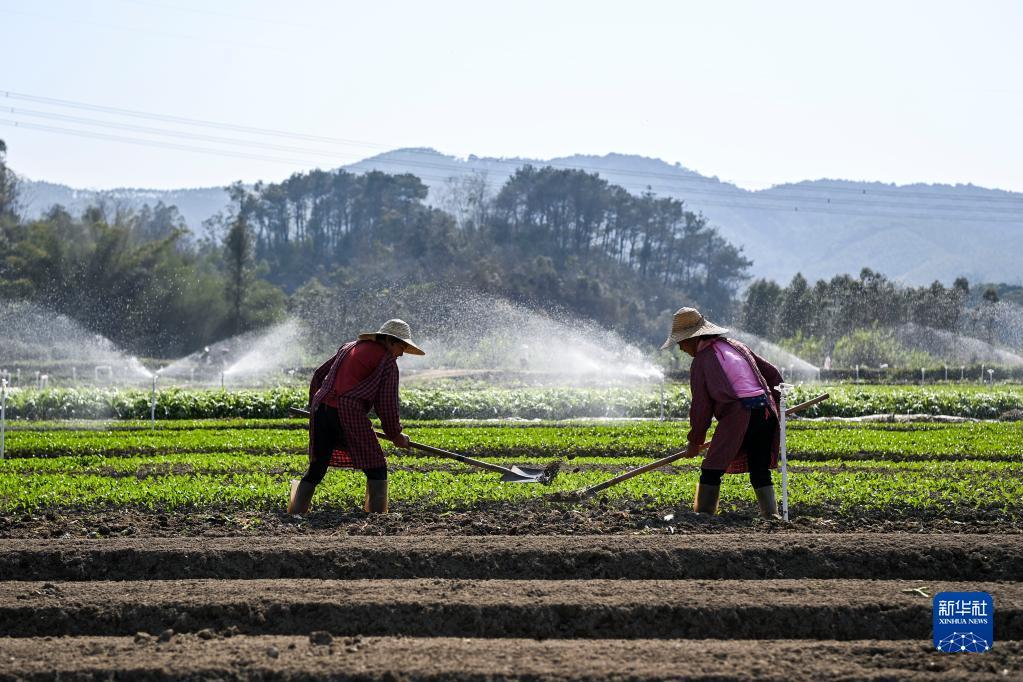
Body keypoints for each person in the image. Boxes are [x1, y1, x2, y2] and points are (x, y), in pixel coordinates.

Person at [288, 319, 425, 515]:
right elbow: (386, 405)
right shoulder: (387, 362)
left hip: (321, 407)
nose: (402, 353)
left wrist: (315, 407)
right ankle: (378, 517)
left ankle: (296, 512)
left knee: (317, 467)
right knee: (376, 465)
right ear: (390, 340)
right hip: (348, 410)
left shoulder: (349, 346)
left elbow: (319, 375)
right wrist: (396, 436)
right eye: (401, 347)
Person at [661, 307, 784, 519]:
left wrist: (695, 441)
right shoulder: (737, 347)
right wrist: (778, 406)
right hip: (764, 412)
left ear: (693, 338)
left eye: (681, 342)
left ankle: (703, 516)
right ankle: (771, 516)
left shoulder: (701, 362)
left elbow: (701, 407)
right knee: (759, 469)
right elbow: (773, 374)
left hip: (739, 414)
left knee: (711, 468)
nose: (680, 348)